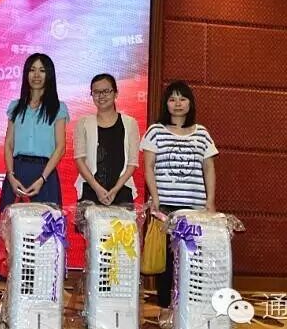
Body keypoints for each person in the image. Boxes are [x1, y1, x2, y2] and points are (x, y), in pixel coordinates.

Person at [0, 53, 68, 281]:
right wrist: (11, 175)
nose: (36, 75)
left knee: (44, 232)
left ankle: (44, 281)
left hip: (45, 176)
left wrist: (43, 178)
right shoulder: (16, 107)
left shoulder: (58, 108)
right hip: (17, 173)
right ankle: (11, 282)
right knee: (13, 231)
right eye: (32, 70)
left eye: (42, 70)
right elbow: (8, 144)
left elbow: (60, 147)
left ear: (49, 75)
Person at [140, 80, 218, 308]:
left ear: (190, 103)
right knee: (165, 260)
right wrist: (155, 197)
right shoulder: (155, 131)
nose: (177, 104)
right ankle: (166, 306)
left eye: (182, 99)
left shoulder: (202, 133)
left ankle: (188, 304)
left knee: (191, 257)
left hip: (194, 208)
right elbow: (148, 167)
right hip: (165, 207)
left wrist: (210, 201)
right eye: (172, 99)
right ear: (166, 103)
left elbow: (209, 168)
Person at [74, 73, 140, 207]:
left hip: (122, 190)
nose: (101, 96)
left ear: (116, 93)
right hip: (91, 189)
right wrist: (97, 188)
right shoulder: (83, 123)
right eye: (96, 92)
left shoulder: (130, 123)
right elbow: (79, 160)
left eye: (106, 91)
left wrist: (115, 189)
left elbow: (132, 163)